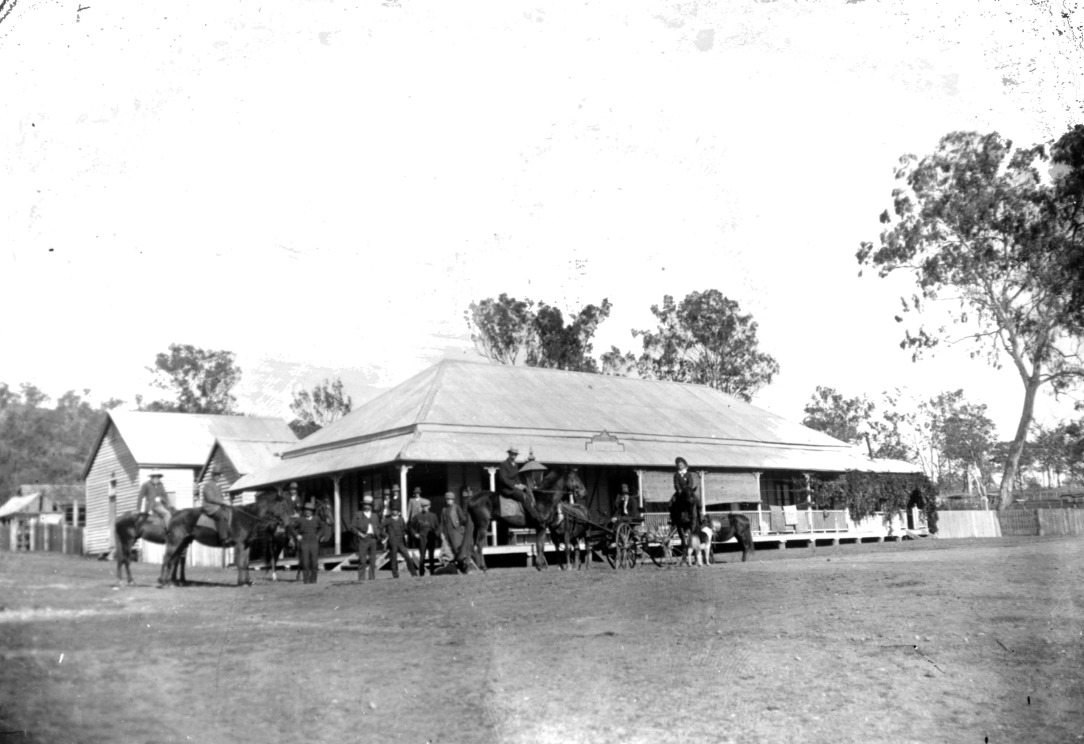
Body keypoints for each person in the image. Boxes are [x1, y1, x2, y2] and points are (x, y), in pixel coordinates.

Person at [497, 447, 541, 522]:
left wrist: (520, 484)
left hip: (515, 487)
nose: (514, 456)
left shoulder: (515, 464)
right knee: (524, 496)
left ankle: (528, 512)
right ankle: (534, 516)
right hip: (507, 488)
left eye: (515, 454)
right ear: (509, 454)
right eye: (512, 454)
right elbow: (504, 479)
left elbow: (516, 478)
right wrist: (515, 486)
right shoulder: (504, 464)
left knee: (530, 493)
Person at [292, 501, 330, 584]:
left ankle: (313, 581)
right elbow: (291, 528)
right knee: (305, 563)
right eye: (306, 510)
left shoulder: (317, 519)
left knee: (314, 563)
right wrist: (297, 535)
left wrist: (318, 536)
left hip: (314, 542)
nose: (307, 511)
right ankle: (306, 581)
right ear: (304, 511)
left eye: (309, 510)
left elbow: (322, 527)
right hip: (304, 542)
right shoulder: (300, 520)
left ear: (312, 511)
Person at [381, 503, 417, 578]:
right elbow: (380, 528)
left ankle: (414, 574)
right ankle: (395, 575)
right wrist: (386, 535)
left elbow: (405, 529)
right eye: (393, 510)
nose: (394, 512)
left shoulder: (401, 519)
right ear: (391, 511)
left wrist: (406, 532)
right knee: (394, 559)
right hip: (392, 541)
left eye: (396, 510)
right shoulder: (388, 520)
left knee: (408, 557)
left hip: (401, 541)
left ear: (398, 511)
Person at [352, 495, 382, 581]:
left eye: (368, 504)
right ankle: (361, 579)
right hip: (363, 539)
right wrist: (359, 534)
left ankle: (372, 578)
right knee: (362, 560)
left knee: (372, 560)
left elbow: (379, 527)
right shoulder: (358, 514)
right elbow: (352, 527)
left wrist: (378, 534)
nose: (367, 506)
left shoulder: (375, 515)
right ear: (363, 505)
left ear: (371, 505)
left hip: (373, 539)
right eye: (365, 504)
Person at [200, 465, 232, 544]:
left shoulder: (218, 486)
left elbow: (220, 498)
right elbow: (210, 498)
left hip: (217, 506)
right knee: (221, 515)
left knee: (230, 512)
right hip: (210, 507)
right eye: (216, 475)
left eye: (219, 475)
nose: (218, 477)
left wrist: (226, 502)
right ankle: (223, 538)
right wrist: (223, 502)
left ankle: (229, 533)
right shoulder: (208, 485)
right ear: (212, 475)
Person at [409, 500, 440, 576]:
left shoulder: (433, 516)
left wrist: (436, 534)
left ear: (429, 506)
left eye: (426, 506)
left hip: (431, 536)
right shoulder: (417, 516)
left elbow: (438, 527)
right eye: (423, 506)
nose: (424, 508)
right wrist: (415, 534)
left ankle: (432, 572)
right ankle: (421, 573)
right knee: (422, 555)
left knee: (431, 555)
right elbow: (410, 526)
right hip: (422, 537)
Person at [440, 491, 468, 571]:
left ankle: (463, 567)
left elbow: (462, 518)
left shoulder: (456, 507)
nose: (449, 500)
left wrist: (460, 523)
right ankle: (454, 568)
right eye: (447, 499)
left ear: (453, 499)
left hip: (455, 532)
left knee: (457, 549)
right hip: (446, 533)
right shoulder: (444, 510)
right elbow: (442, 522)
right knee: (449, 550)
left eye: (450, 499)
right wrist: (441, 532)